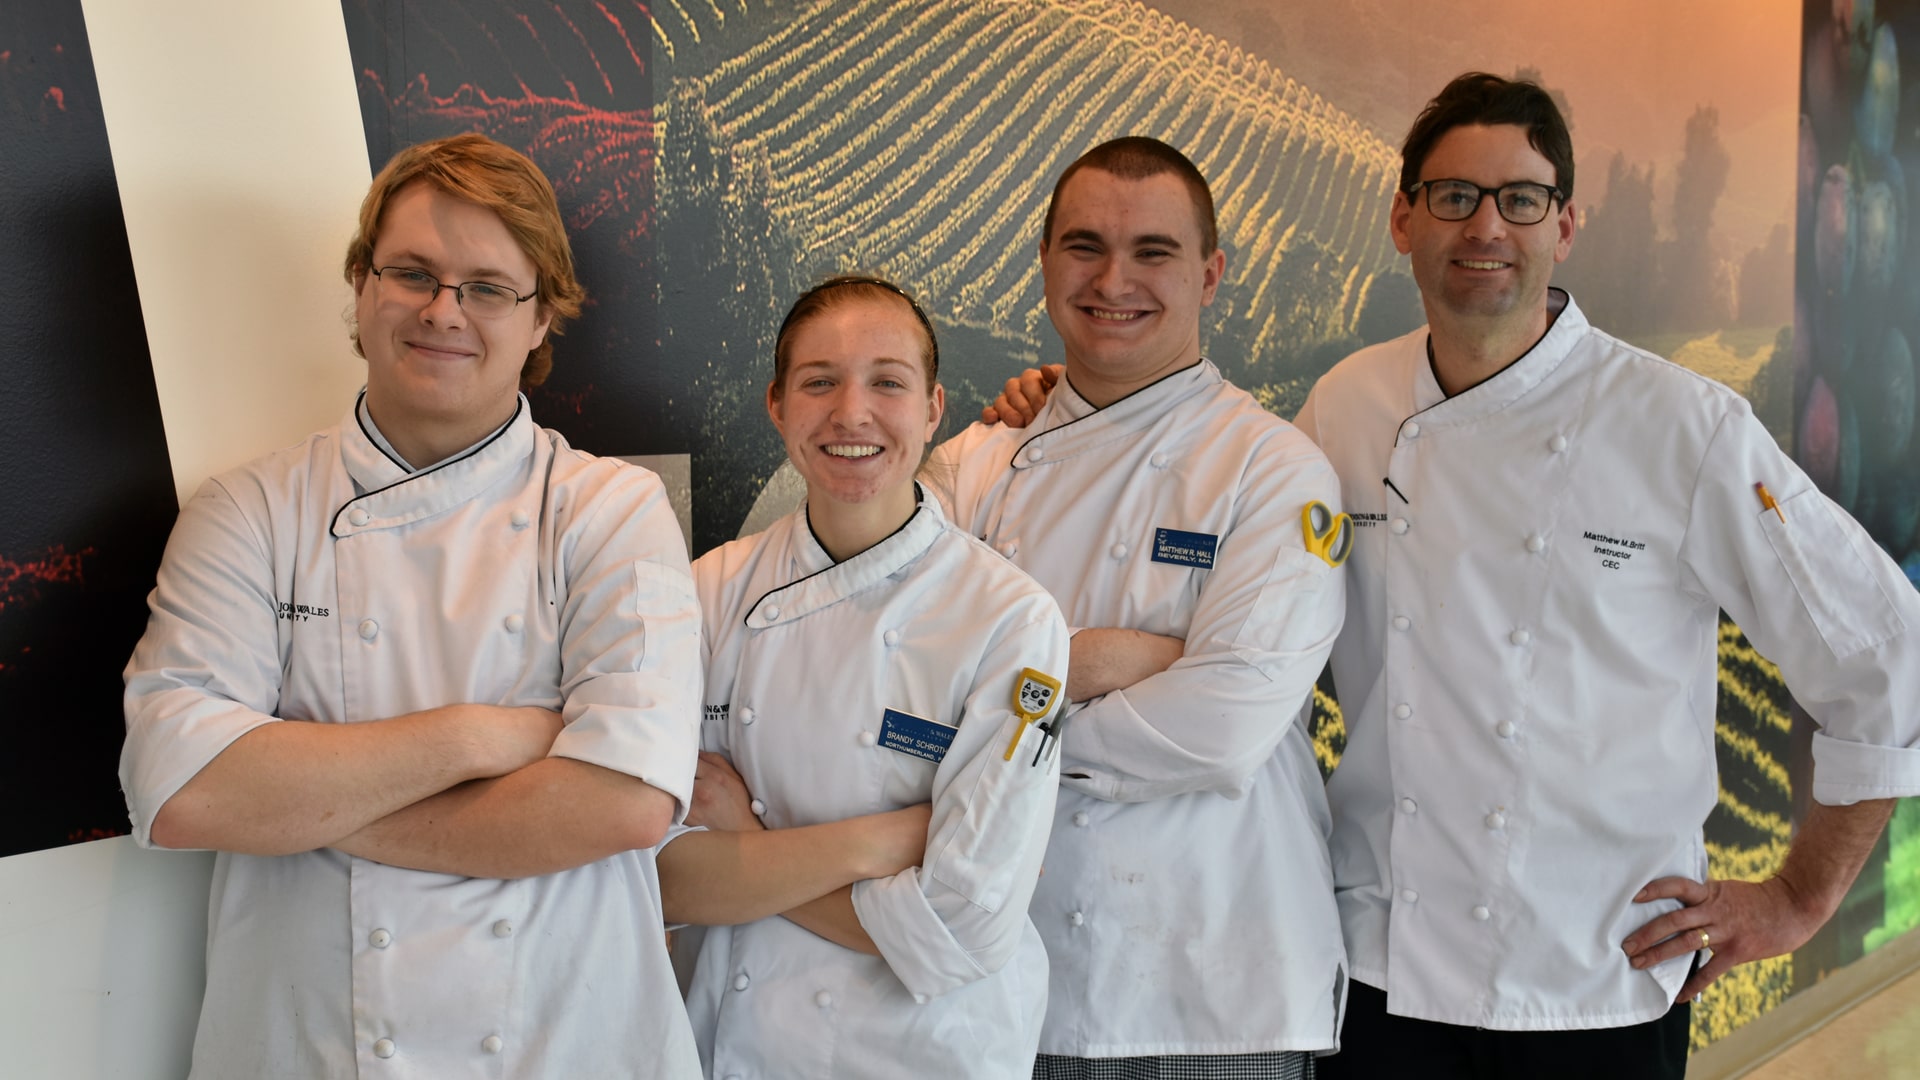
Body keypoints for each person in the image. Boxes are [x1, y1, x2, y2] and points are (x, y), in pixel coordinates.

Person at [990, 73, 1920, 1080]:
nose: (1487, 225)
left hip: (1596, 975)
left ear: (1566, 224)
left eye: (1521, 198)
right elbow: (1213, 477)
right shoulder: (1350, 403)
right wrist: (1072, 408)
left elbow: (1883, 653)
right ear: (1403, 219)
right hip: (1381, 967)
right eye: (1453, 195)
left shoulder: (1681, 427)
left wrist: (1799, 899)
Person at [120, 133, 703, 1077]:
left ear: (543, 316)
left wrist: (312, 814)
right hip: (312, 1047)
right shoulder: (252, 511)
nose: (444, 311)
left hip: (562, 1042)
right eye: (413, 274)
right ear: (361, 285)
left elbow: (624, 803)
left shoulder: (608, 508)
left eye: (487, 287)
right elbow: (181, 790)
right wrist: (483, 737)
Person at [939, 138, 1349, 1079]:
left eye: (1154, 252)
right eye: (1084, 247)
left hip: (1214, 989)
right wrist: (1116, 661)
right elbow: (900, 679)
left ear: (1211, 274)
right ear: (1045, 266)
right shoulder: (973, 465)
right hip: (1004, 991)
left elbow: (1224, 725)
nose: (1114, 278)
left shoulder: (1275, 470)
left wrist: (994, 728)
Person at [659, 276, 1070, 1078]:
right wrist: (881, 842)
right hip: (728, 1040)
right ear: (777, 405)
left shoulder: (1009, 620)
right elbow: (658, 875)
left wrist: (745, 851)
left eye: (888, 381)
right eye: (819, 381)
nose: (852, 413)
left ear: (932, 409)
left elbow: (962, 929)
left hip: (924, 1051)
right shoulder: (706, 593)